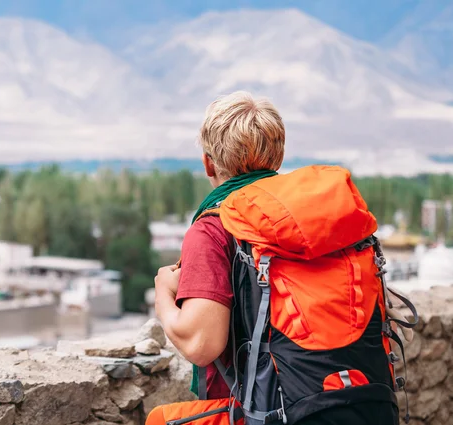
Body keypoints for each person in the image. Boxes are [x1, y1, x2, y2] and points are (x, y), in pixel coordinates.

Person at [154, 91, 402, 425]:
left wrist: (163, 293)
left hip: (271, 412)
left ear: (208, 163)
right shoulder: (321, 217)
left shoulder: (214, 227)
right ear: (278, 156)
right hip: (362, 399)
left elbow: (201, 342)